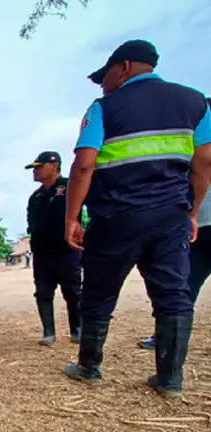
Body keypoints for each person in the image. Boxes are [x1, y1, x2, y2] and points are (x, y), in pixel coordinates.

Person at [62, 40, 211, 398]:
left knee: (99, 289)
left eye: (105, 76)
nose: (103, 85)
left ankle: (89, 366)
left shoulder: (103, 108)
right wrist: (191, 212)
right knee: (173, 292)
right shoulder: (196, 103)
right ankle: (170, 379)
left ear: (125, 67)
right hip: (170, 216)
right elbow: (204, 163)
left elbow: (84, 164)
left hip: (117, 214)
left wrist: (72, 217)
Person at [138, 100, 211, 350]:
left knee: (181, 287)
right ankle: (166, 338)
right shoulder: (189, 150)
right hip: (194, 227)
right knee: (182, 287)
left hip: (195, 222)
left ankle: (166, 338)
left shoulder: (196, 151)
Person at [25, 151, 83, 346]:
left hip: (66, 251)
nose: (35, 171)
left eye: (39, 167)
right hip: (42, 253)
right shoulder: (35, 197)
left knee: (73, 292)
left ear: (54, 165)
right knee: (43, 293)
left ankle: (77, 329)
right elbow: (31, 224)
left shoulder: (70, 187)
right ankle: (48, 331)